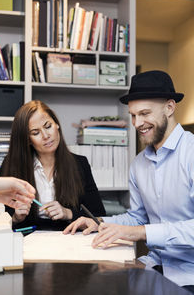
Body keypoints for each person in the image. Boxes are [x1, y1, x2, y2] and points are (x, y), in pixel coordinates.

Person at [63, 70, 194, 291]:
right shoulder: (139, 164)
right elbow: (137, 217)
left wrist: (141, 232)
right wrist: (100, 223)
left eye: (144, 113)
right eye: (133, 115)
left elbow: (140, 228)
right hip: (153, 267)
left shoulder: (191, 153)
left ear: (170, 107)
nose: (137, 123)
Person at [0, 100, 105, 230]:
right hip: (26, 242)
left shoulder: (80, 164)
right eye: (35, 133)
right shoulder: (11, 166)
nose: (46, 136)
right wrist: (16, 218)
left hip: (70, 241)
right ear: (27, 140)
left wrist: (68, 213)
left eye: (48, 126)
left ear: (57, 125)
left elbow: (98, 216)